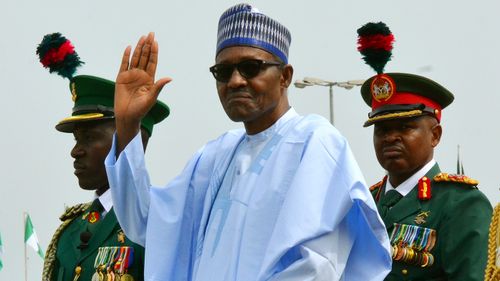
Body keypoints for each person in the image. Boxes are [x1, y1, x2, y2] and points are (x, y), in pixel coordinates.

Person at [105, 4, 391, 280]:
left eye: (251, 67)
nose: (235, 81)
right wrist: (128, 123)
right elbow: (146, 223)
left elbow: (316, 266)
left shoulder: (315, 143)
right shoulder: (214, 156)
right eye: (223, 72)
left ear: (285, 76)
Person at [357, 22, 492, 281]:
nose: (390, 138)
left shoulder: (461, 204)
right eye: (381, 129)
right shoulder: (366, 202)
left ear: (435, 135)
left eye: (405, 127)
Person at [37, 34, 170, 281]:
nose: (75, 151)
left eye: (89, 138)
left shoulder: (159, 223)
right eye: (76, 139)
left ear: (135, 138)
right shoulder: (69, 232)